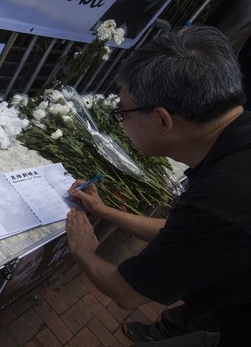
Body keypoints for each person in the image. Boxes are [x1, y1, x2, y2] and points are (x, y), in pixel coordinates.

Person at [66, 25, 251, 346]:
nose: (119, 121)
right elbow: (182, 233)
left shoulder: (220, 199)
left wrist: (83, 250)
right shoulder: (234, 149)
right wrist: (103, 210)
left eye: (121, 111)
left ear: (162, 120)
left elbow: (125, 292)